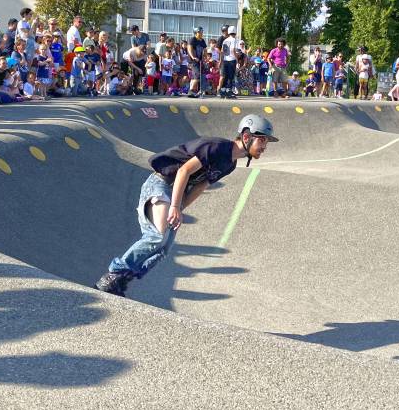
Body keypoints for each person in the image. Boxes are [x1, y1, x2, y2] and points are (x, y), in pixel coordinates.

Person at [96, 114, 278, 296]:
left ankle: (123, 279)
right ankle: (113, 274)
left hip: (175, 194)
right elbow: (184, 170)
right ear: (246, 137)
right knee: (158, 236)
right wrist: (174, 206)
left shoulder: (229, 164)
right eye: (262, 140)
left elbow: (201, 185)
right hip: (160, 184)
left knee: (164, 248)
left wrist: (180, 208)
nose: (264, 147)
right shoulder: (216, 147)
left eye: (266, 142)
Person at [219, 25, 240, 98]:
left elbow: (222, 51)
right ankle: (229, 91)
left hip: (225, 60)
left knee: (225, 76)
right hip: (231, 60)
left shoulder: (225, 40)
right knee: (230, 77)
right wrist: (237, 60)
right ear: (235, 32)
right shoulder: (234, 40)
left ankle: (223, 91)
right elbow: (233, 50)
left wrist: (221, 60)